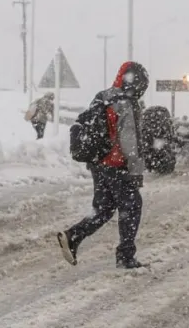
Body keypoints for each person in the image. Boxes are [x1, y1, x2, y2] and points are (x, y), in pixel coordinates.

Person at [57, 61, 150, 270]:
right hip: (117, 164)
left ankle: (73, 236)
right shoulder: (127, 102)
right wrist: (136, 171)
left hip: (99, 164)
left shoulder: (104, 96)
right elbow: (130, 141)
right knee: (132, 206)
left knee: (104, 209)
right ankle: (126, 257)